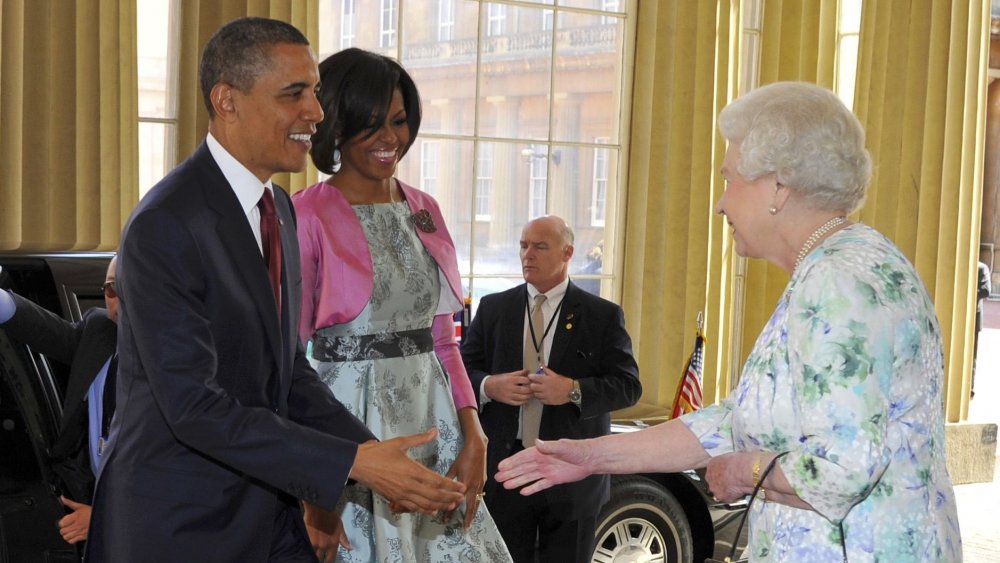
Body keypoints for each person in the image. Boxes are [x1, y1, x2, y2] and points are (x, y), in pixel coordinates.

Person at [496, 83, 963, 562]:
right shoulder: (851, 261)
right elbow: (733, 419)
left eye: (729, 178)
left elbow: (843, 469)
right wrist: (588, 456)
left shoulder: (836, 282)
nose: (721, 203)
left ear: (778, 186)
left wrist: (744, 470)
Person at [85, 18, 465, 563]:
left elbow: (288, 371)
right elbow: (193, 406)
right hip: (179, 523)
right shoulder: (166, 223)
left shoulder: (279, 208)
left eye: (313, 92)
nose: (315, 112)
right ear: (226, 101)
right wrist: (354, 464)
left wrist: (376, 456)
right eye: (294, 94)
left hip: (269, 514)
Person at [293, 47, 511, 562]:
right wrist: (314, 486)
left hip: (434, 425)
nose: (389, 138)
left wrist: (473, 434)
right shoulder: (305, 215)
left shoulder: (425, 209)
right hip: (348, 430)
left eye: (398, 121)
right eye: (370, 124)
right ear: (337, 124)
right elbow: (287, 361)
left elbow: (442, 339)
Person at [460, 215, 641, 563]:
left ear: (568, 252)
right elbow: (459, 372)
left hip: (572, 475)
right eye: (523, 245)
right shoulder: (495, 308)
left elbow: (628, 387)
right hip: (505, 472)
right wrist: (488, 385)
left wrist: (572, 390)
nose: (528, 254)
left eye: (540, 246)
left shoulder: (601, 315)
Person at [0, 256, 119, 550]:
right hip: (88, 499)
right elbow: (43, 330)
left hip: (140, 525)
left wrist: (103, 519)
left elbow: (178, 475)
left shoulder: (181, 362)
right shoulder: (100, 331)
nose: (120, 300)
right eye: (112, 289)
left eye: (132, 287)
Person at [973, 260, 991, 398]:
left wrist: (968, 292)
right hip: (958, 313)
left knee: (971, 355)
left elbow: (986, 291)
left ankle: (970, 387)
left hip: (974, 316)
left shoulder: (981, 268)